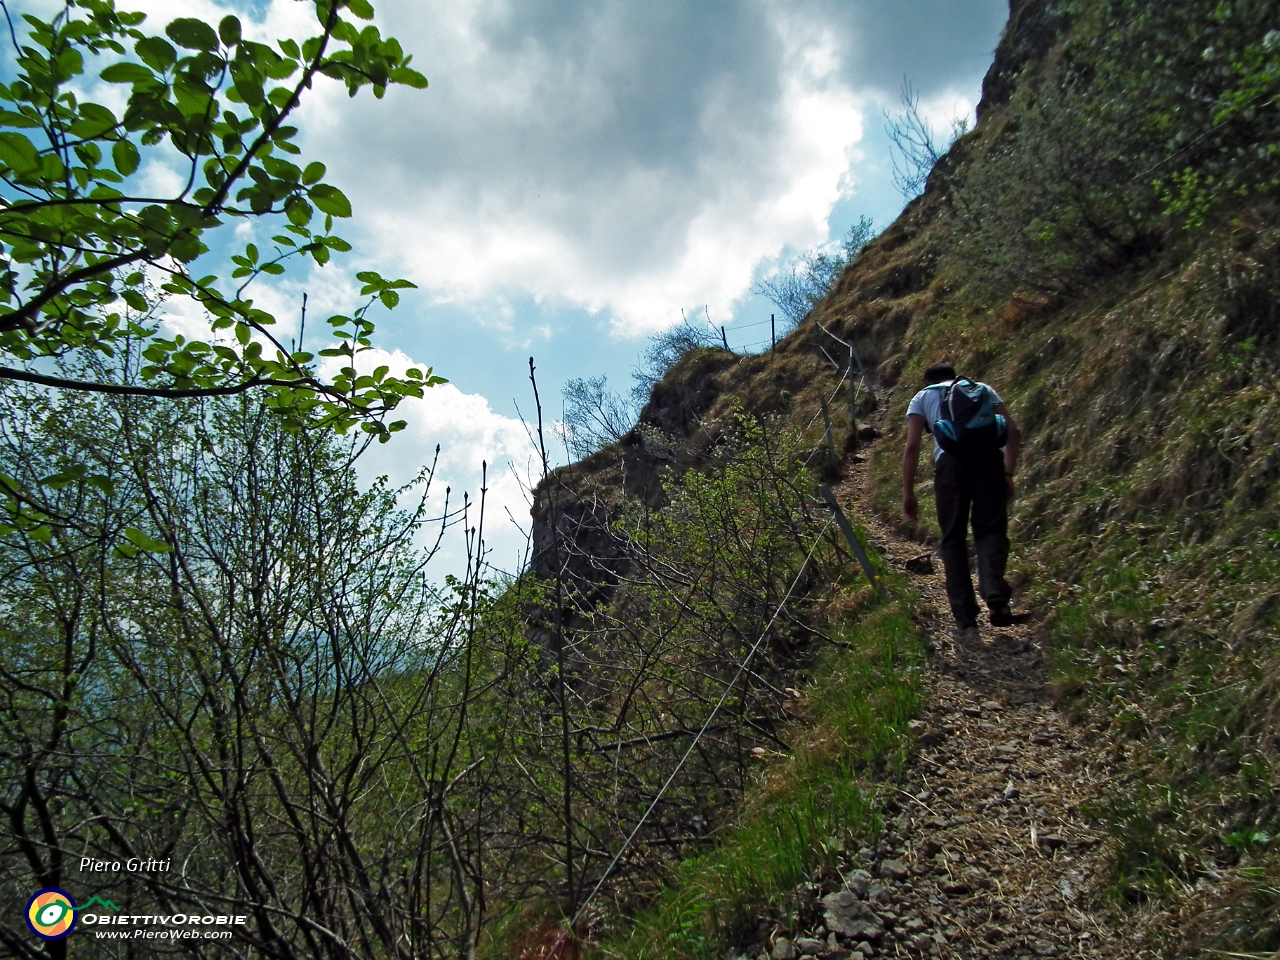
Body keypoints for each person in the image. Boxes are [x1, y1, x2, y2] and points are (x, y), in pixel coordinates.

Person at [902, 362, 1021, 631]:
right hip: (989, 462)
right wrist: (1008, 473)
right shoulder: (982, 390)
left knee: (953, 538)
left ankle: (965, 615)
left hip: (951, 466)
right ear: (954, 377)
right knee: (991, 530)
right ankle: (995, 594)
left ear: (928, 381)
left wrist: (908, 492)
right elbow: (1013, 431)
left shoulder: (923, 396)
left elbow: (912, 447)